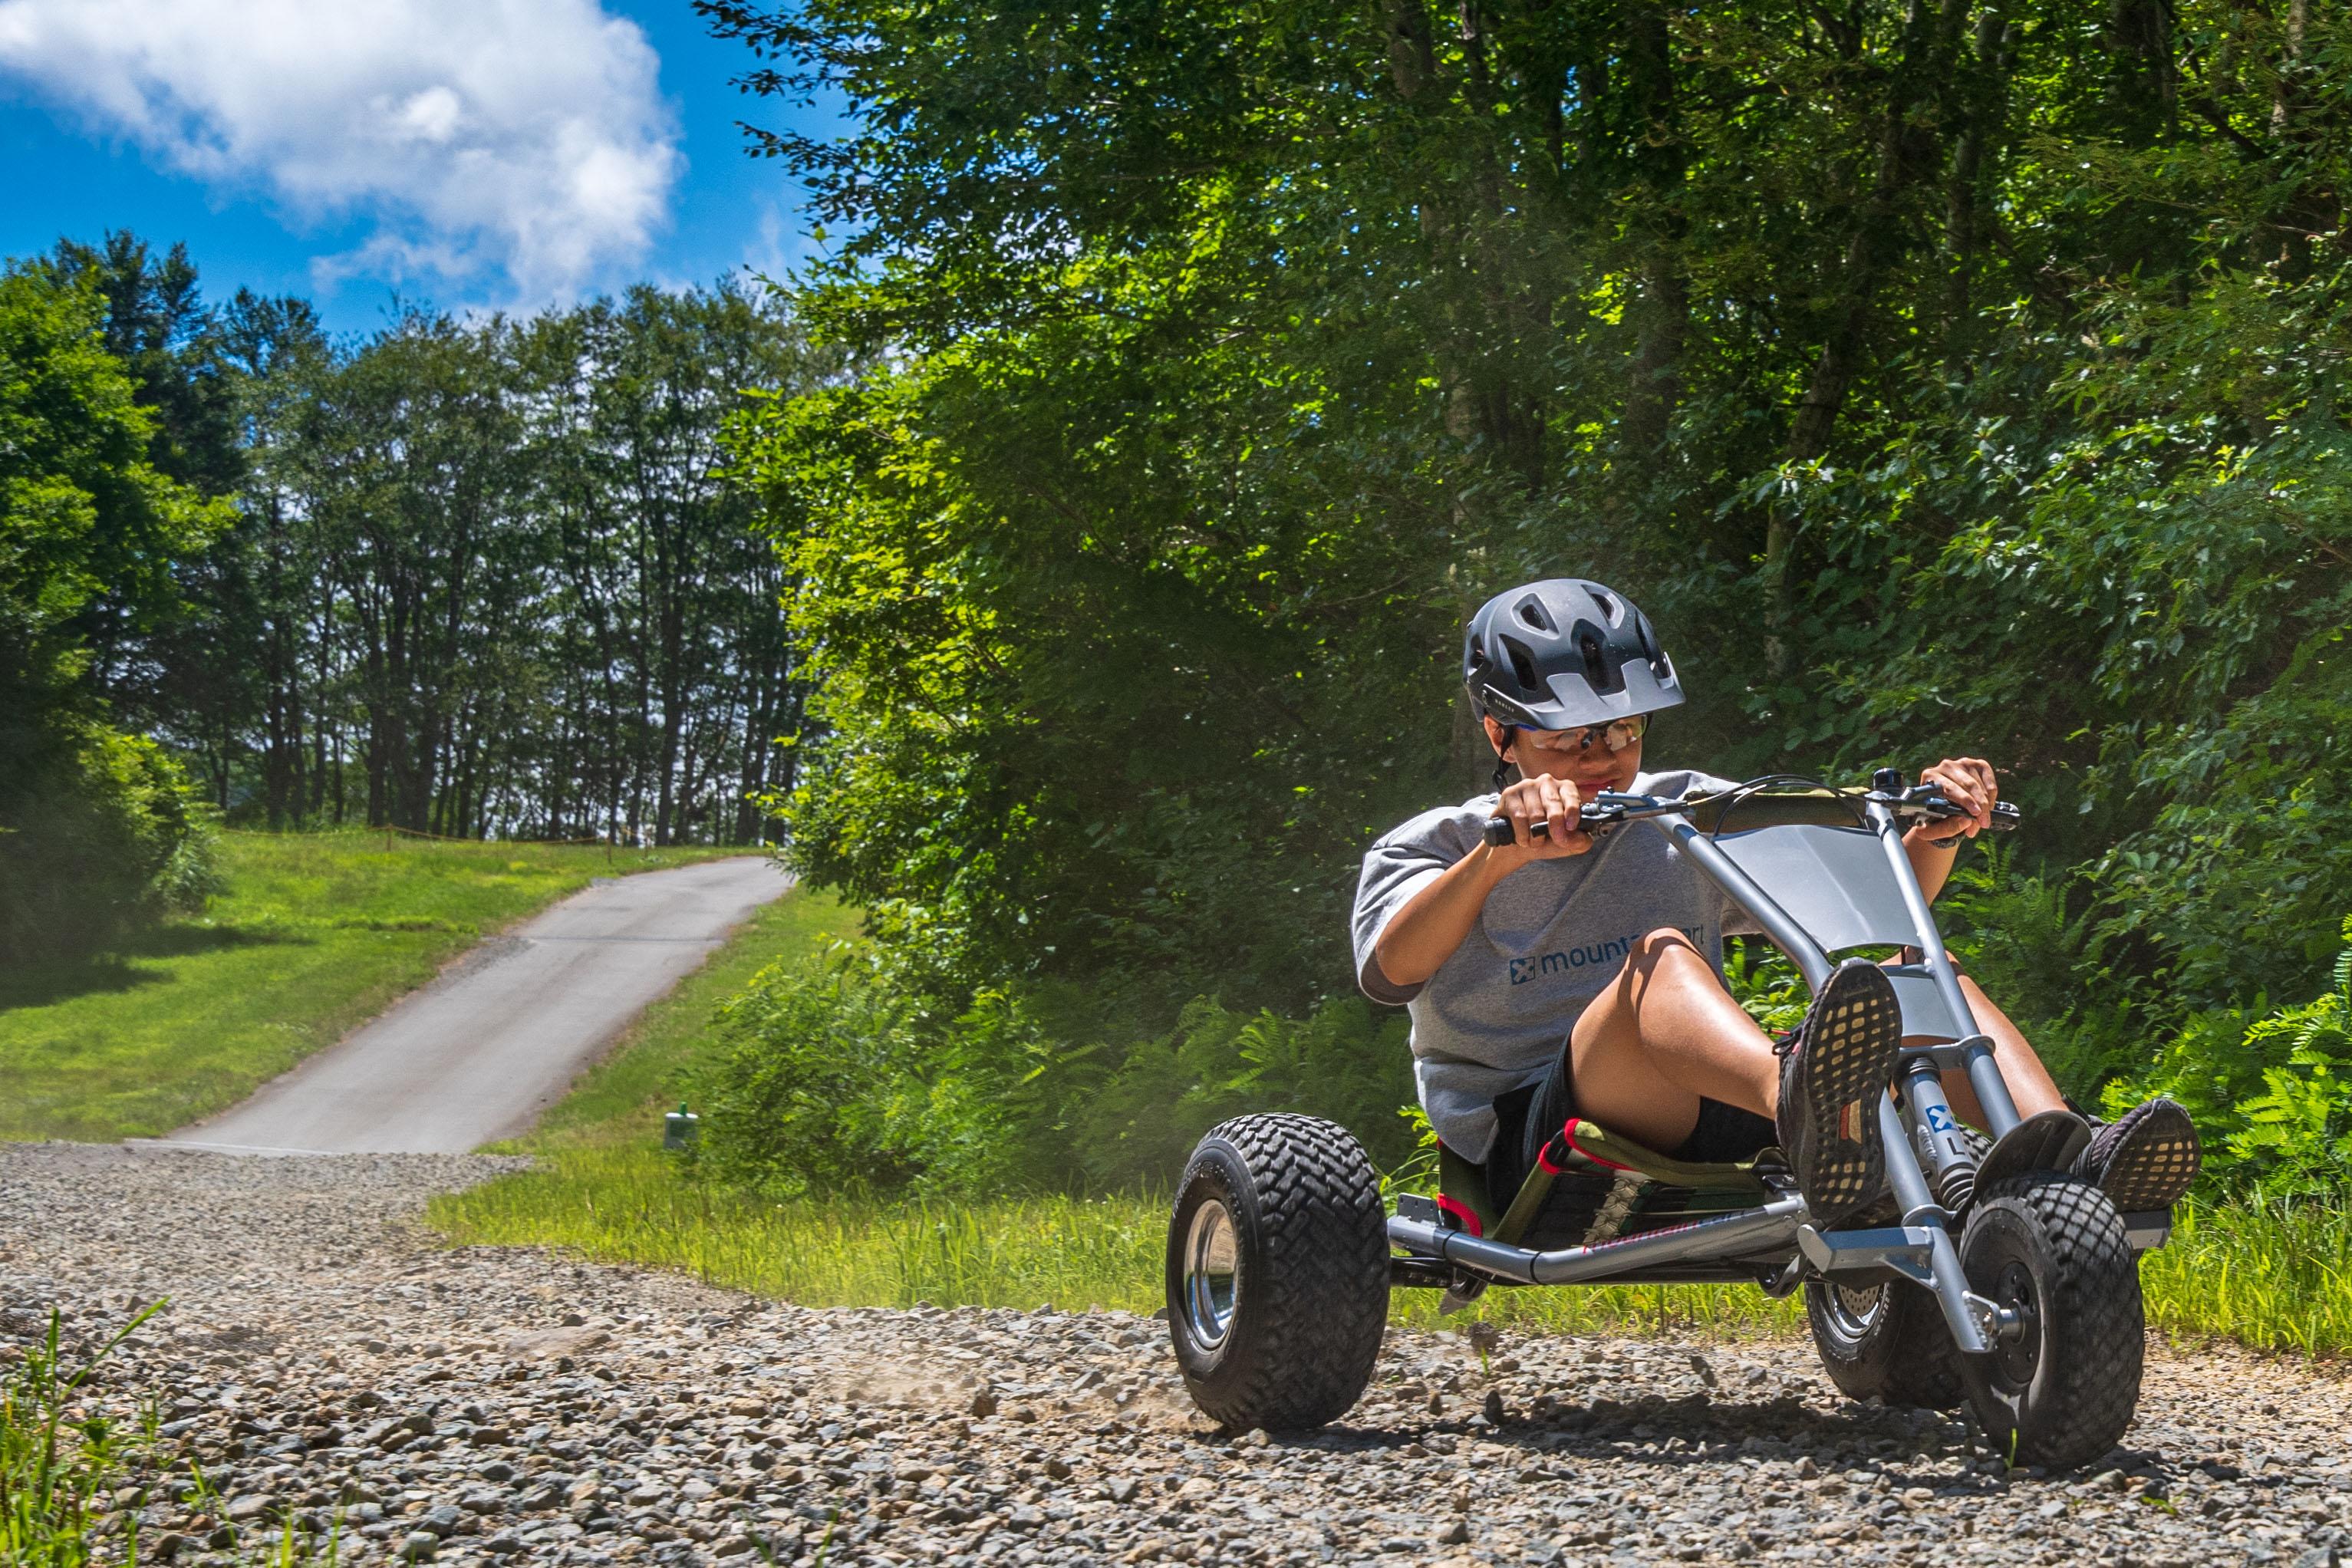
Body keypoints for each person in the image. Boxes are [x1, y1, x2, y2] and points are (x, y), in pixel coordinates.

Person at [1350, 577, 2201, 1224]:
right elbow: (1391, 971)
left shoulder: (1685, 803)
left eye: (1625, 729)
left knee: (1927, 979)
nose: (1605, 754)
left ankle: (2072, 1161)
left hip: (1735, 1109)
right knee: (1662, 958)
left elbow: (1864, 911)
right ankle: (1813, 1106)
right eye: (1570, 737)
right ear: (1501, 733)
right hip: (1534, 1149)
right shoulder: (1440, 841)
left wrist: (1934, 831)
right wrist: (1498, 858)